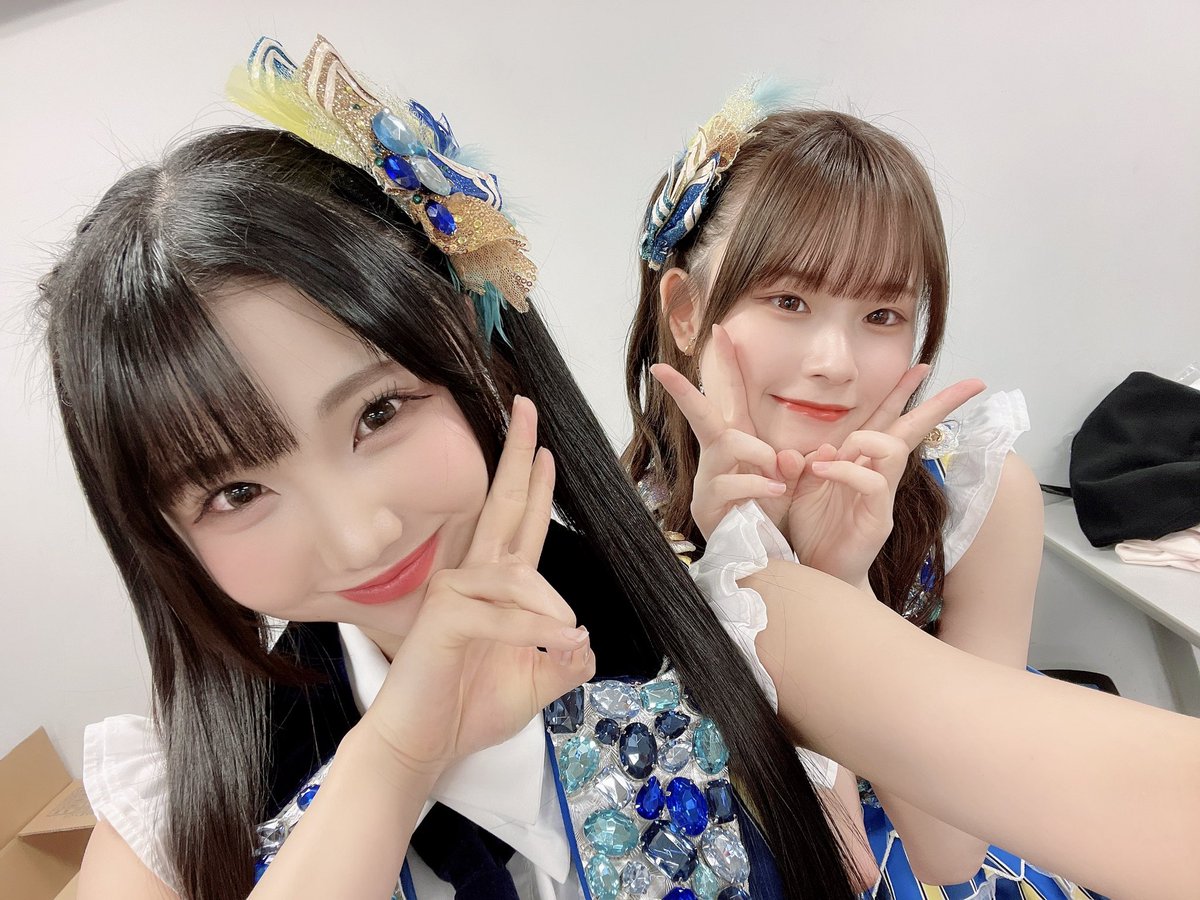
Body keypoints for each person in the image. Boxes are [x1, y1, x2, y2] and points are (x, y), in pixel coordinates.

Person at [43, 38, 1198, 900]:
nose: (359, 536)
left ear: (481, 360)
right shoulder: (178, 797)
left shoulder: (727, 605)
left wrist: (829, 592)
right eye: (236, 490)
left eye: (380, 413)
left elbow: (1122, 802)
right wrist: (395, 755)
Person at [623, 87, 1095, 898]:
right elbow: (822, 858)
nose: (835, 363)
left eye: (881, 314)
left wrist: (839, 582)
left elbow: (949, 855)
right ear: (687, 311)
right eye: (789, 300)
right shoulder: (625, 523)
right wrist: (753, 557)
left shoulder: (978, 496)